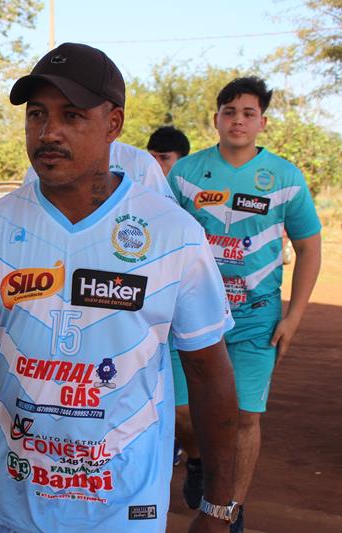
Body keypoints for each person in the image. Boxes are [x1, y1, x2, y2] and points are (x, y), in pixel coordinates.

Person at [0, 42, 240, 533]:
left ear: (113, 125)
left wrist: (218, 506)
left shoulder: (173, 235)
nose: (48, 132)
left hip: (127, 511)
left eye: (72, 115)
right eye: (36, 114)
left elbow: (210, 375)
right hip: (15, 508)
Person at [167, 77, 322, 532]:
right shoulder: (185, 175)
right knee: (182, 412)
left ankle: (229, 510)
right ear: (215, 119)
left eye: (248, 113)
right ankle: (197, 459)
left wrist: (293, 319)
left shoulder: (286, 178)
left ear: (263, 122)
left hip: (257, 318)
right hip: (189, 314)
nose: (238, 120)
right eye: (229, 112)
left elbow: (309, 248)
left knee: (244, 418)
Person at [145, 126, 198, 468]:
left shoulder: (193, 204)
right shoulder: (138, 200)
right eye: (151, 159)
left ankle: (197, 460)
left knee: (183, 410)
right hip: (148, 316)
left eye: (164, 159)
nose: (157, 167)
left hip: (186, 315)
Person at [22, 140, 175, 201]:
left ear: (114, 121)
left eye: (72, 115)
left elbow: (167, 223)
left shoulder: (139, 162)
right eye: (37, 114)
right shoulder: (39, 169)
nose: (51, 131)